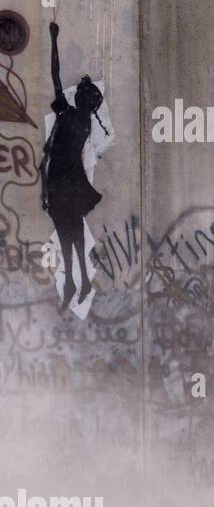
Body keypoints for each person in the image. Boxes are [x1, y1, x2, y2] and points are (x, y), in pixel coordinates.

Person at [39, 21, 106, 311]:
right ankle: (76, 283)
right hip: (66, 181)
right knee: (71, 234)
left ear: (84, 101)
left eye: (81, 92)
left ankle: (75, 283)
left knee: (70, 235)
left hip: (63, 181)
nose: (76, 92)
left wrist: (54, 40)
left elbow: (55, 76)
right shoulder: (82, 118)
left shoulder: (72, 116)